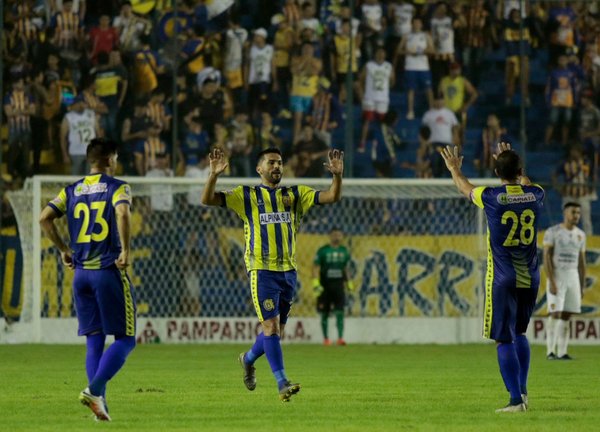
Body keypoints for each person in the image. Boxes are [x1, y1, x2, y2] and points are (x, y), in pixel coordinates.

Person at [201, 147, 344, 401]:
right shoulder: (246, 195)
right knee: (270, 327)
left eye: (279, 163)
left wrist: (338, 177)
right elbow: (207, 200)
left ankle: (247, 359)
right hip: (261, 269)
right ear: (259, 169)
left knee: (277, 333)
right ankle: (281, 382)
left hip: (288, 271)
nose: (276, 167)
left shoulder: (296, 194)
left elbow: (332, 196)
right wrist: (213, 175)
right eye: (271, 163)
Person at [440, 142, 544, 413]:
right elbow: (526, 182)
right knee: (520, 332)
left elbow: (464, 187)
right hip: (530, 276)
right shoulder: (536, 194)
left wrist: (454, 168)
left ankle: (514, 401)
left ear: (496, 171)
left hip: (503, 277)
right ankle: (523, 392)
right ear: (520, 170)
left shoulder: (491, 196)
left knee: (503, 338)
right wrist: (513, 166)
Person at [39, 138, 136, 421]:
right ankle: (94, 390)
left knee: (94, 340)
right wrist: (126, 250)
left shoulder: (71, 190)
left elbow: (45, 218)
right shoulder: (118, 187)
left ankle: (99, 406)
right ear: (110, 159)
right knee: (126, 340)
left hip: (80, 275)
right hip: (106, 271)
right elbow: (122, 212)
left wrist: (63, 250)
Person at [543, 202, 586, 360]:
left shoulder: (581, 234)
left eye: (578, 213)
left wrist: (581, 285)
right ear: (565, 213)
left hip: (573, 276)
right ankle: (550, 351)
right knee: (555, 313)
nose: (576, 215)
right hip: (557, 275)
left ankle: (562, 352)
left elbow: (582, 262)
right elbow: (546, 256)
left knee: (567, 315)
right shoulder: (553, 232)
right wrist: (551, 280)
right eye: (573, 212)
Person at [312, 227, 353, 346]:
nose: (337, 237)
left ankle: (340, 338)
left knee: (340, 311)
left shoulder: (344, 251)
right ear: (330, 236)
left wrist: (349, 282)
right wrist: (316, 283)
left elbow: (346, 268)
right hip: (325, 286)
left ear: (342, 236)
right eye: (335, 235)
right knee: (324, 312)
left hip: (339, 285)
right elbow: (316, 267)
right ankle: (326, 339)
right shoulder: (323, 251)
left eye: (339, 235)